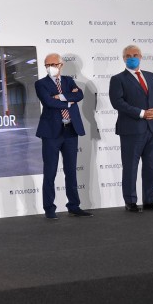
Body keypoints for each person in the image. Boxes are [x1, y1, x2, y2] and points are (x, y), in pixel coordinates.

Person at [109, 45, 153, 213]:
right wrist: (142, 113)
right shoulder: (117, 79)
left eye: (135, 55)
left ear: (141, 57)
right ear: (123, 58)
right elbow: (117, 102)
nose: (131, 57)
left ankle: (150, 200)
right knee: (130, 167)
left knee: (152, 166)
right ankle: (131, 202)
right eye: (128, 55)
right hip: (131, 130)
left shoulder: (151, 76)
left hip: (152, 128)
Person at [34, 53, 92, 219]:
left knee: (71, 171)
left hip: (70, 130)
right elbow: (48, 102)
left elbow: (79, 95)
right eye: (47, 65)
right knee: (50, 171)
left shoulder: (69, 81)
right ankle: (49, 209)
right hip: (51, 133)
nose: (50, 67)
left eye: (53, 64)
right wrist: (68, 101)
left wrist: (60, 96)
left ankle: (74, 206)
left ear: (61, 65)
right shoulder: (40, 83)